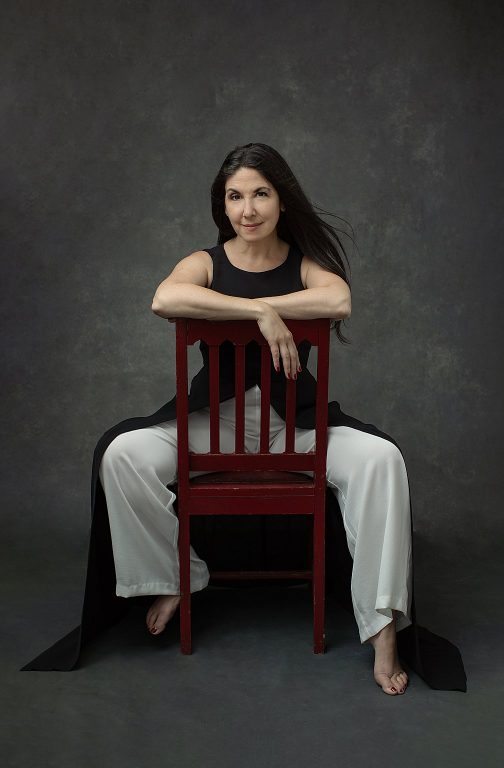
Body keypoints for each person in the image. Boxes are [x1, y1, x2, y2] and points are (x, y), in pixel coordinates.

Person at [37, 143, 420, 695]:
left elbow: (338, 301)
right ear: (223, 205)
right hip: (212, 421)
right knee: (121, 456)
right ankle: (177, 576)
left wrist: (271, 304)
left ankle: (383, 628)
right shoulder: (206, 263)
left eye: (260, 193)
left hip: (295, 424)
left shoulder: (304, 263)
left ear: (281, 200)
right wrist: (258, 310)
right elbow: (164, 297)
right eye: (235, 196)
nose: (248, 209)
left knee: (383, 459)